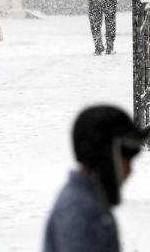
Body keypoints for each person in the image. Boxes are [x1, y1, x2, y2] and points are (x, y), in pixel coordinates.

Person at [44, 105, 149, 252]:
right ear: (105, 157)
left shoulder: (86, 199)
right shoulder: (83, 213)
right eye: (127, 160)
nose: (130, 170)